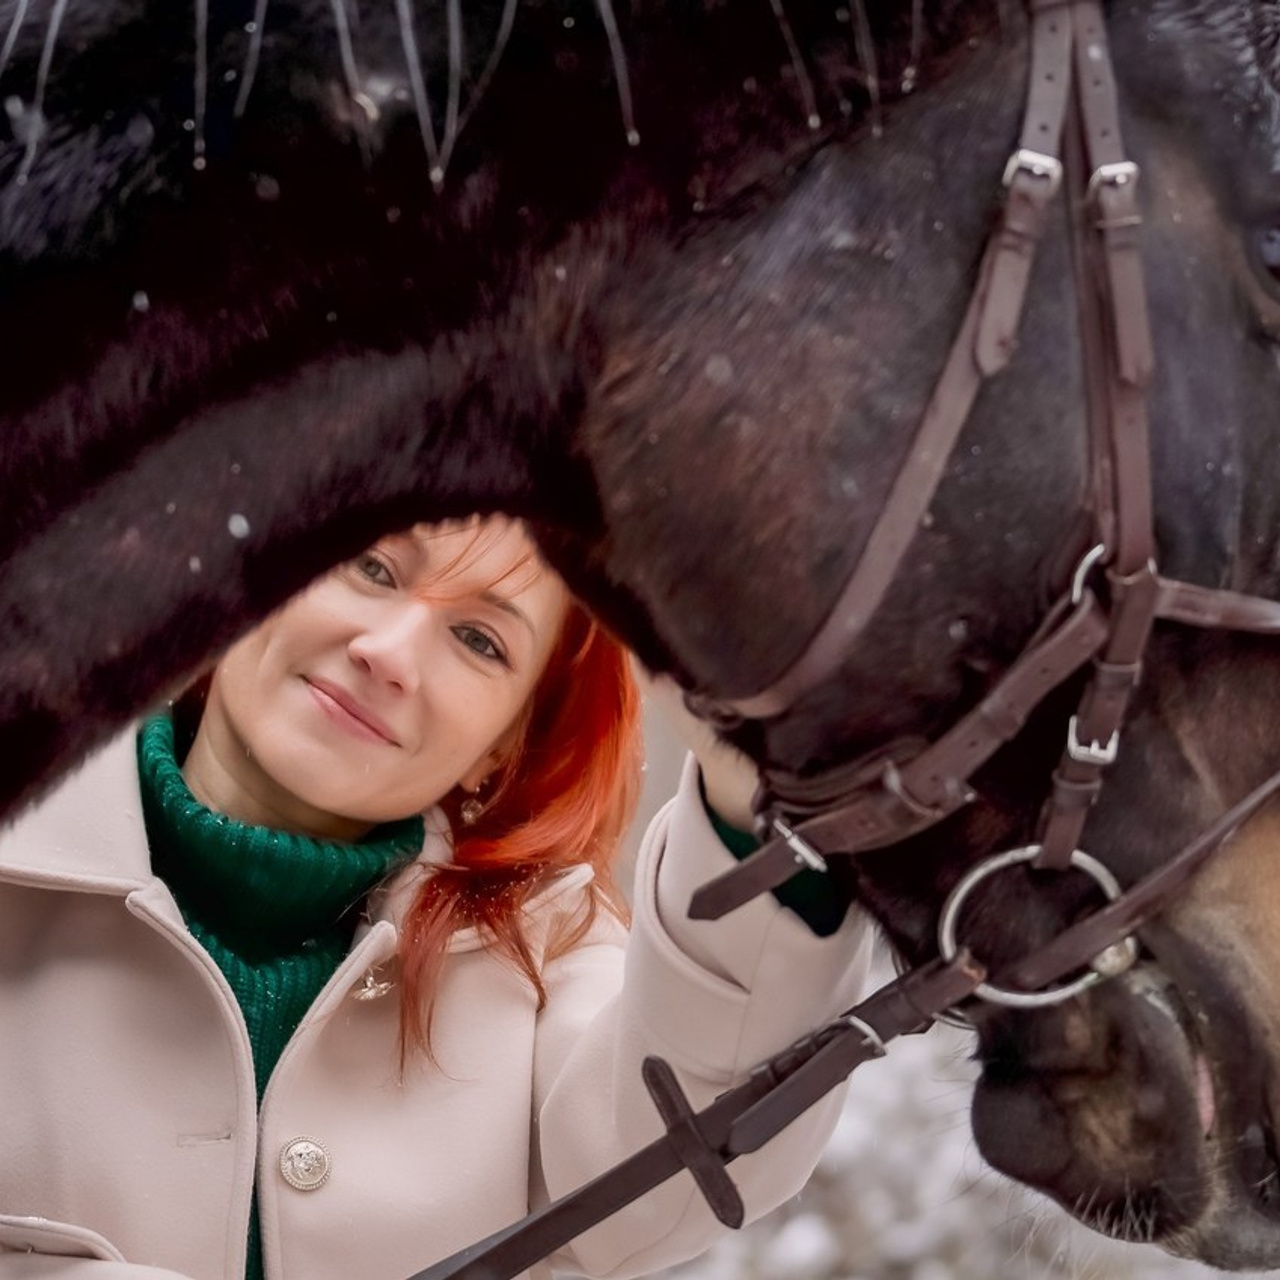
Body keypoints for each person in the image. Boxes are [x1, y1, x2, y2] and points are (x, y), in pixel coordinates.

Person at [0, 516, 873, 1280]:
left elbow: (681, 1179)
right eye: (372, 568)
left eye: (480, 642)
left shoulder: (541, 956)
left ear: (505, 745)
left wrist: (755, 806)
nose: (389, 653)